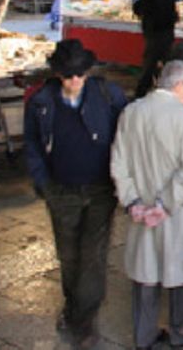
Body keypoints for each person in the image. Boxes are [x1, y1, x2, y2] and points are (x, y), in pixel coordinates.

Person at [24, 39, 127, 348]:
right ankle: (74, 309)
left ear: (87, 72)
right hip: (61, 188)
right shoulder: (42, 102)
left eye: (79, 75)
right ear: (57, 74)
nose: (74, 81)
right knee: (68, 255)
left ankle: (84, 321)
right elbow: (31, 144)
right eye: (68, 75)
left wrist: (122, 180)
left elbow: (126, 134)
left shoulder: (109, 95)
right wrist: (43, 182)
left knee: (93, 257)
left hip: (100, 188)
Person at [111, 61, 183, 350]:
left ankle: (143, 337)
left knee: (145, 274)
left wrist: (133, 202)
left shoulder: (131, 113)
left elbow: (118, 163)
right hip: (178, 210)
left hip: (140, 210)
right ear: (179, 85)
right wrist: (164, 205)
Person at [132, 0, 178, 98]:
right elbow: (174, 12)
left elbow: (137, 9)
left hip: (154, 33)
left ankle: (140, 92)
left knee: (150, 63)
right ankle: (166, 88)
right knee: (165, 60)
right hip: (168, 32)